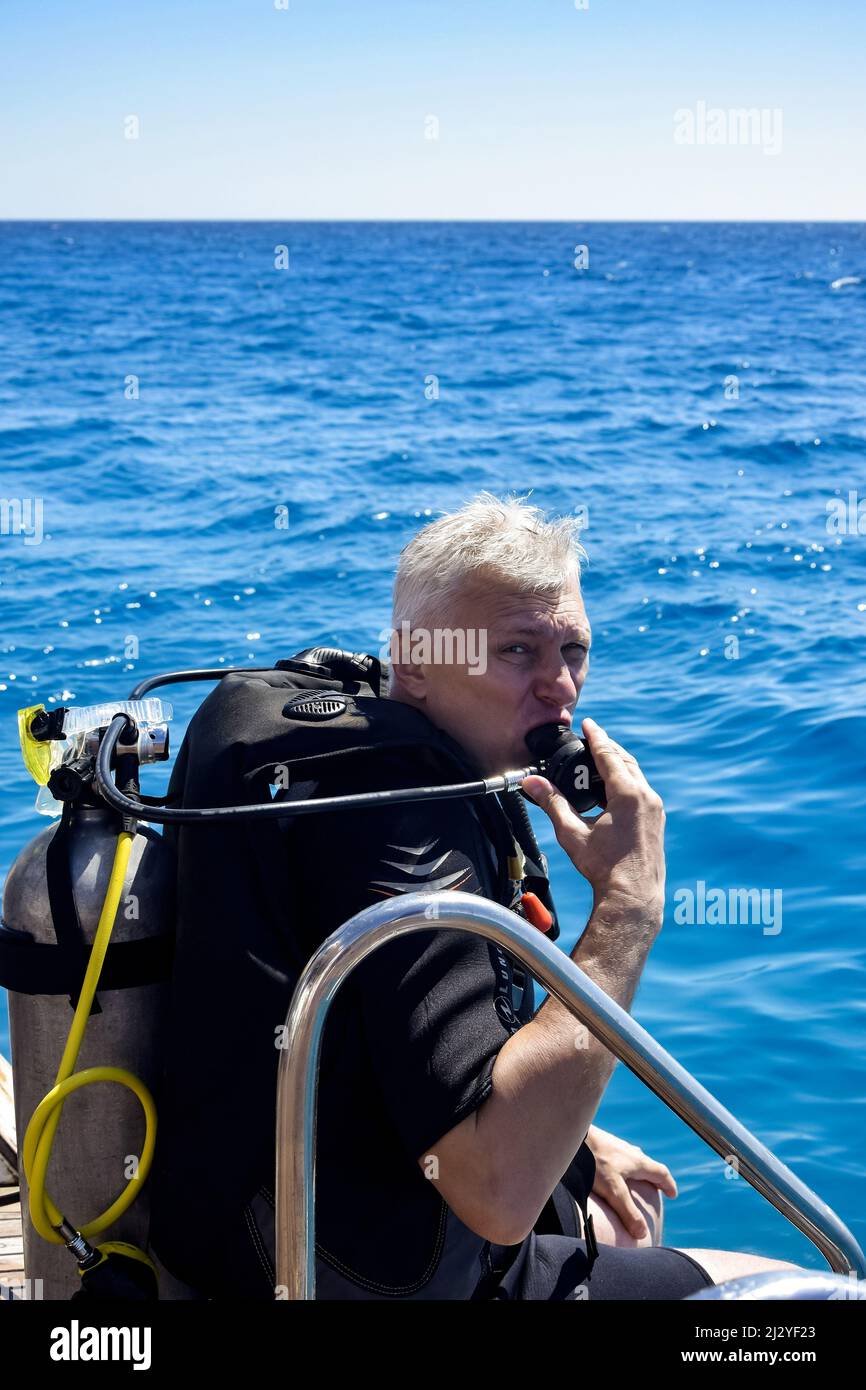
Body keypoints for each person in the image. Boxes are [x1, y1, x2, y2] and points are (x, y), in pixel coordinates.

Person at [149, 490, 805, 1299]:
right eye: (519, 652)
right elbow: (496, 1193)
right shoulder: (403, 823)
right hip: (367, 1274)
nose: (560, 688)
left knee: (622, 1203)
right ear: (415, 661)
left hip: (240, 1234)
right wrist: (629, 909)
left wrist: (580, 1145)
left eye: (574, 650)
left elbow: (376, 1048)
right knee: (798, 1290)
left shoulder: (311, 743)